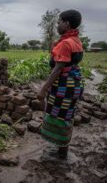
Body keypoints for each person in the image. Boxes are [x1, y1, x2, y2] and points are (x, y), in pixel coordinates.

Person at [38, 10, 84, 159]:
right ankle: (62, 150)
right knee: (66, 116)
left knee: (58, 116)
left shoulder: (65, 43)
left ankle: (62, 153)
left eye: (59, 22)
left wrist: (44, 89)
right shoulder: (76, 40)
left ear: (67, 24)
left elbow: (58, 68)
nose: (57, 24)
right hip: (73, 83)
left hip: (64, 86)